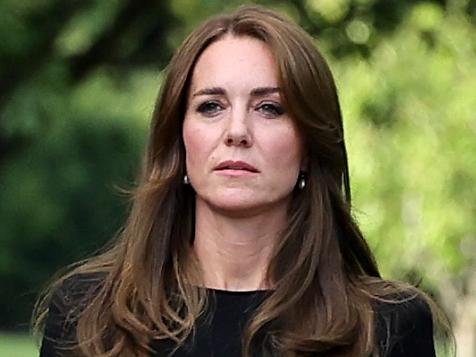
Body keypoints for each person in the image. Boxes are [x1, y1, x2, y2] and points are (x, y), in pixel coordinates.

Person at [33, 5, 451, 357]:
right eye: (211, 106)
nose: (236, 131)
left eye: (269, 108)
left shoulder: (385, 324)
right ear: (179, 139)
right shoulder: (89, 316)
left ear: (309, 145)